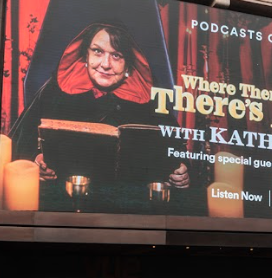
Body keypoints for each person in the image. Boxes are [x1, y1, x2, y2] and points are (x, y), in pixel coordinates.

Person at [10, 22, 189, 189]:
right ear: (85, 55)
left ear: (128, 65)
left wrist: (182, 172)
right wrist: (35, 163)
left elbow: (178, 151)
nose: (105, 64)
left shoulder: (149, 98)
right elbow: (20, 144)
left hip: (129, 207)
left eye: (116, 55)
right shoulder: (56, 90)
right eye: (97, 51)